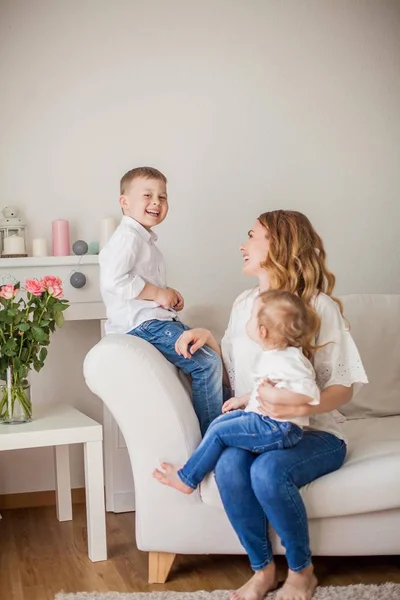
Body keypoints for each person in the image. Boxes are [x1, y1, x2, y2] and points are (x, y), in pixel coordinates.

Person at [174, 210, 368, 600]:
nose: (242, 245)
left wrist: (300, 408)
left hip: (317, 433)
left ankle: (302, 572)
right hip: (261, 425)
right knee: (229, 465)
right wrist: (206, 338)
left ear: (278, 244)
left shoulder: (317, 306)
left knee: (267, 472)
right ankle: (261, 571)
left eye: (252, 235)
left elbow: (345, 388)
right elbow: (238, 372)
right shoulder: (244, 304)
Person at [153, 289, 321, 494]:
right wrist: (243, 399)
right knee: (220, 423)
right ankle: (195, 468)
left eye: (251, 317)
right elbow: (267, 388)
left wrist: (277, 397)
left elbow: (310, 393)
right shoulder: (272, 356)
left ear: (262, 331)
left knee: (218, 431)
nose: (247, 320)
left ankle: (187, 478)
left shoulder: (290, 359)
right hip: (266, 421)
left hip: (281, 428)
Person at [99, 166, 223, 435]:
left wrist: (166, 295)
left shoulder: (143, 239)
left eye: (162, 197)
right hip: (143, 325)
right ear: (125, 202)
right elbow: (113, 280)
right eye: (147, 195)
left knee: (210, 353)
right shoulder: (128, 238)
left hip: (153, 319)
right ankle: (215, 439)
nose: (156, 202)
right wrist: (156, 294)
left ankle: (225, 423)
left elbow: (138, 280)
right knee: (206, 362)